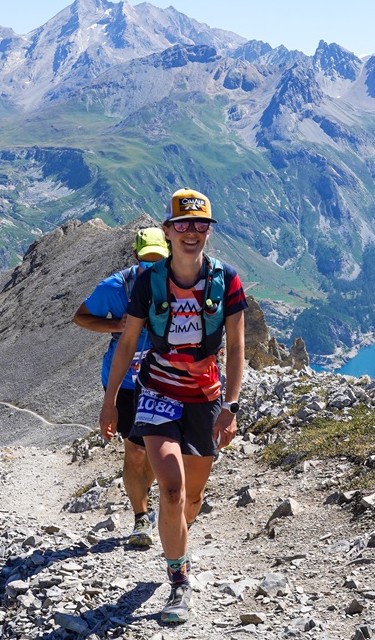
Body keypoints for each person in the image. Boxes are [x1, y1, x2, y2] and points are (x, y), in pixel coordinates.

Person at [100, 189, 247, 626]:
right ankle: (179, 580)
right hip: (157, 392)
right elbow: (128, 342)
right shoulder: (149, 282)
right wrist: (110, 403)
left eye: (200, 224)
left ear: (209, 231)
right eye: (182, 224)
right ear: (167, 231)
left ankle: (174, 537)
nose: (192, 232)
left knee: (192, 498)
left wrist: (232, 406)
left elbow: (238, 348)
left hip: (205, 398)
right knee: (171, 490)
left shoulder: (228, 280)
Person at [73, 226, 168, 547]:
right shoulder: (115, 287)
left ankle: (150, 500)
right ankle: (141, 518)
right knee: (137, 451)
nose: (153, 267)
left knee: (157, 451)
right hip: (126, 382)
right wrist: (116, 324)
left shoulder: (178, 281)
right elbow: (82, 317)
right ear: (135, 257)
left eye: (159, 260)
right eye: (147, 260)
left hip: (165, 379)